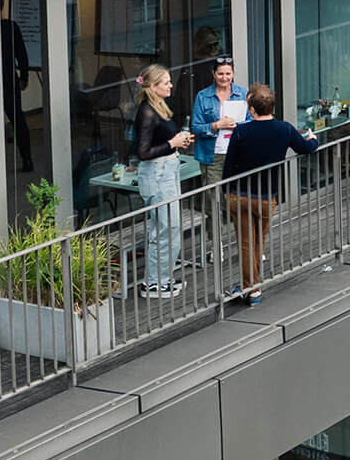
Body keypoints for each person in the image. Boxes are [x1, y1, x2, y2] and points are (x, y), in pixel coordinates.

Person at [220, 85, 320, 302]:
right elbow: (306, 148)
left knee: (247, 243)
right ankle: (251, 286)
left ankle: (252, 287)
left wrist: (225, 190)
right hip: (266, 197)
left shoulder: (241, 131)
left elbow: (228, 167)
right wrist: (313, 138)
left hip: (240, 194)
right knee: (258, 242)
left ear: (253, 110)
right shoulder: (284, 129)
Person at [133, 64, 199, 299]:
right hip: (157, 174)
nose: (171, 85)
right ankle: (155, 283)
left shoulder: (158, 107)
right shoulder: (147, 112)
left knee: (166, 228)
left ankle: (161, 278)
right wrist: (172, 144)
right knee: (166, 228)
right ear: (152, 87)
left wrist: (178, 141)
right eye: (166, 82)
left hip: (167, 170)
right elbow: (142, 152)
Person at [189, 58, 245, 187]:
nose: (224, 78)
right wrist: (216, 125)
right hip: (212, 154)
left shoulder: (243, 93)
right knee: (214, 195)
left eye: (228, 74)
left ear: (233, 74)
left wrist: (237, 126)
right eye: (220, 74)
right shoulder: (202, 96)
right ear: (213, 74)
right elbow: (196, 127)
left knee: (236, 194)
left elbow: (251, 121)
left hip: (237, 150)